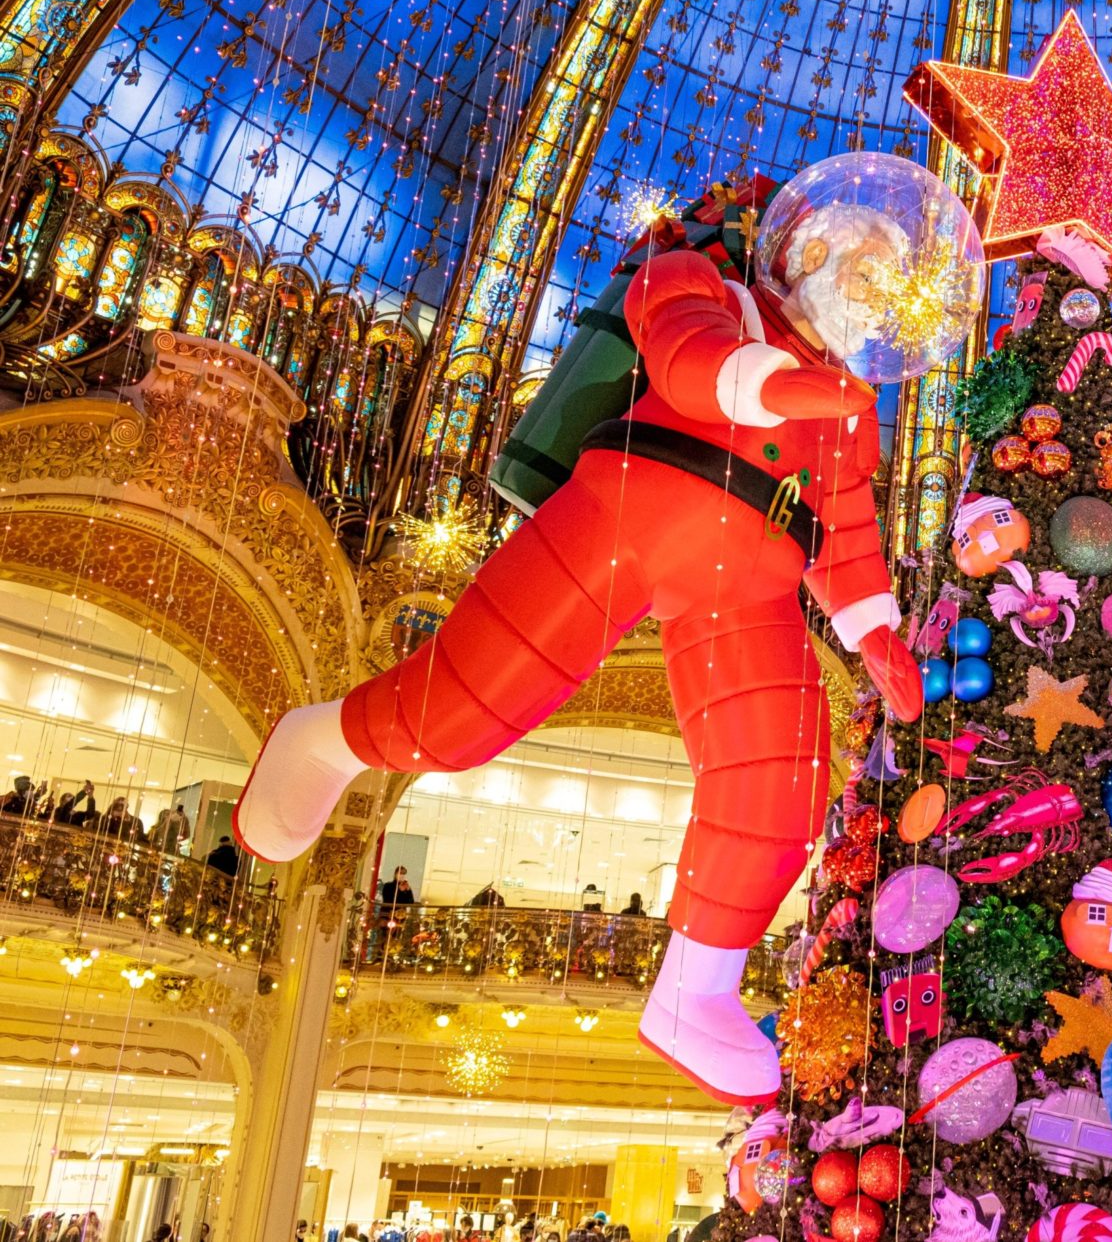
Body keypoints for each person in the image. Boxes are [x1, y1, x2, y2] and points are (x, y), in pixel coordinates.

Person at [232, 182, 928, 1104]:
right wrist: (795, 387)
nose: (876, 302)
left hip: (753, 583)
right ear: (808, 253)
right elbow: (691, 360)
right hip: (630, 510)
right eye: (871, 274)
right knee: (465, 712)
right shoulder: (703, 281)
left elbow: (843, 520)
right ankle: (327, 739)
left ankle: (697, 989)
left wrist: (872, 627)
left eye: (892, 293)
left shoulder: (850, 405)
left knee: (786, 773)